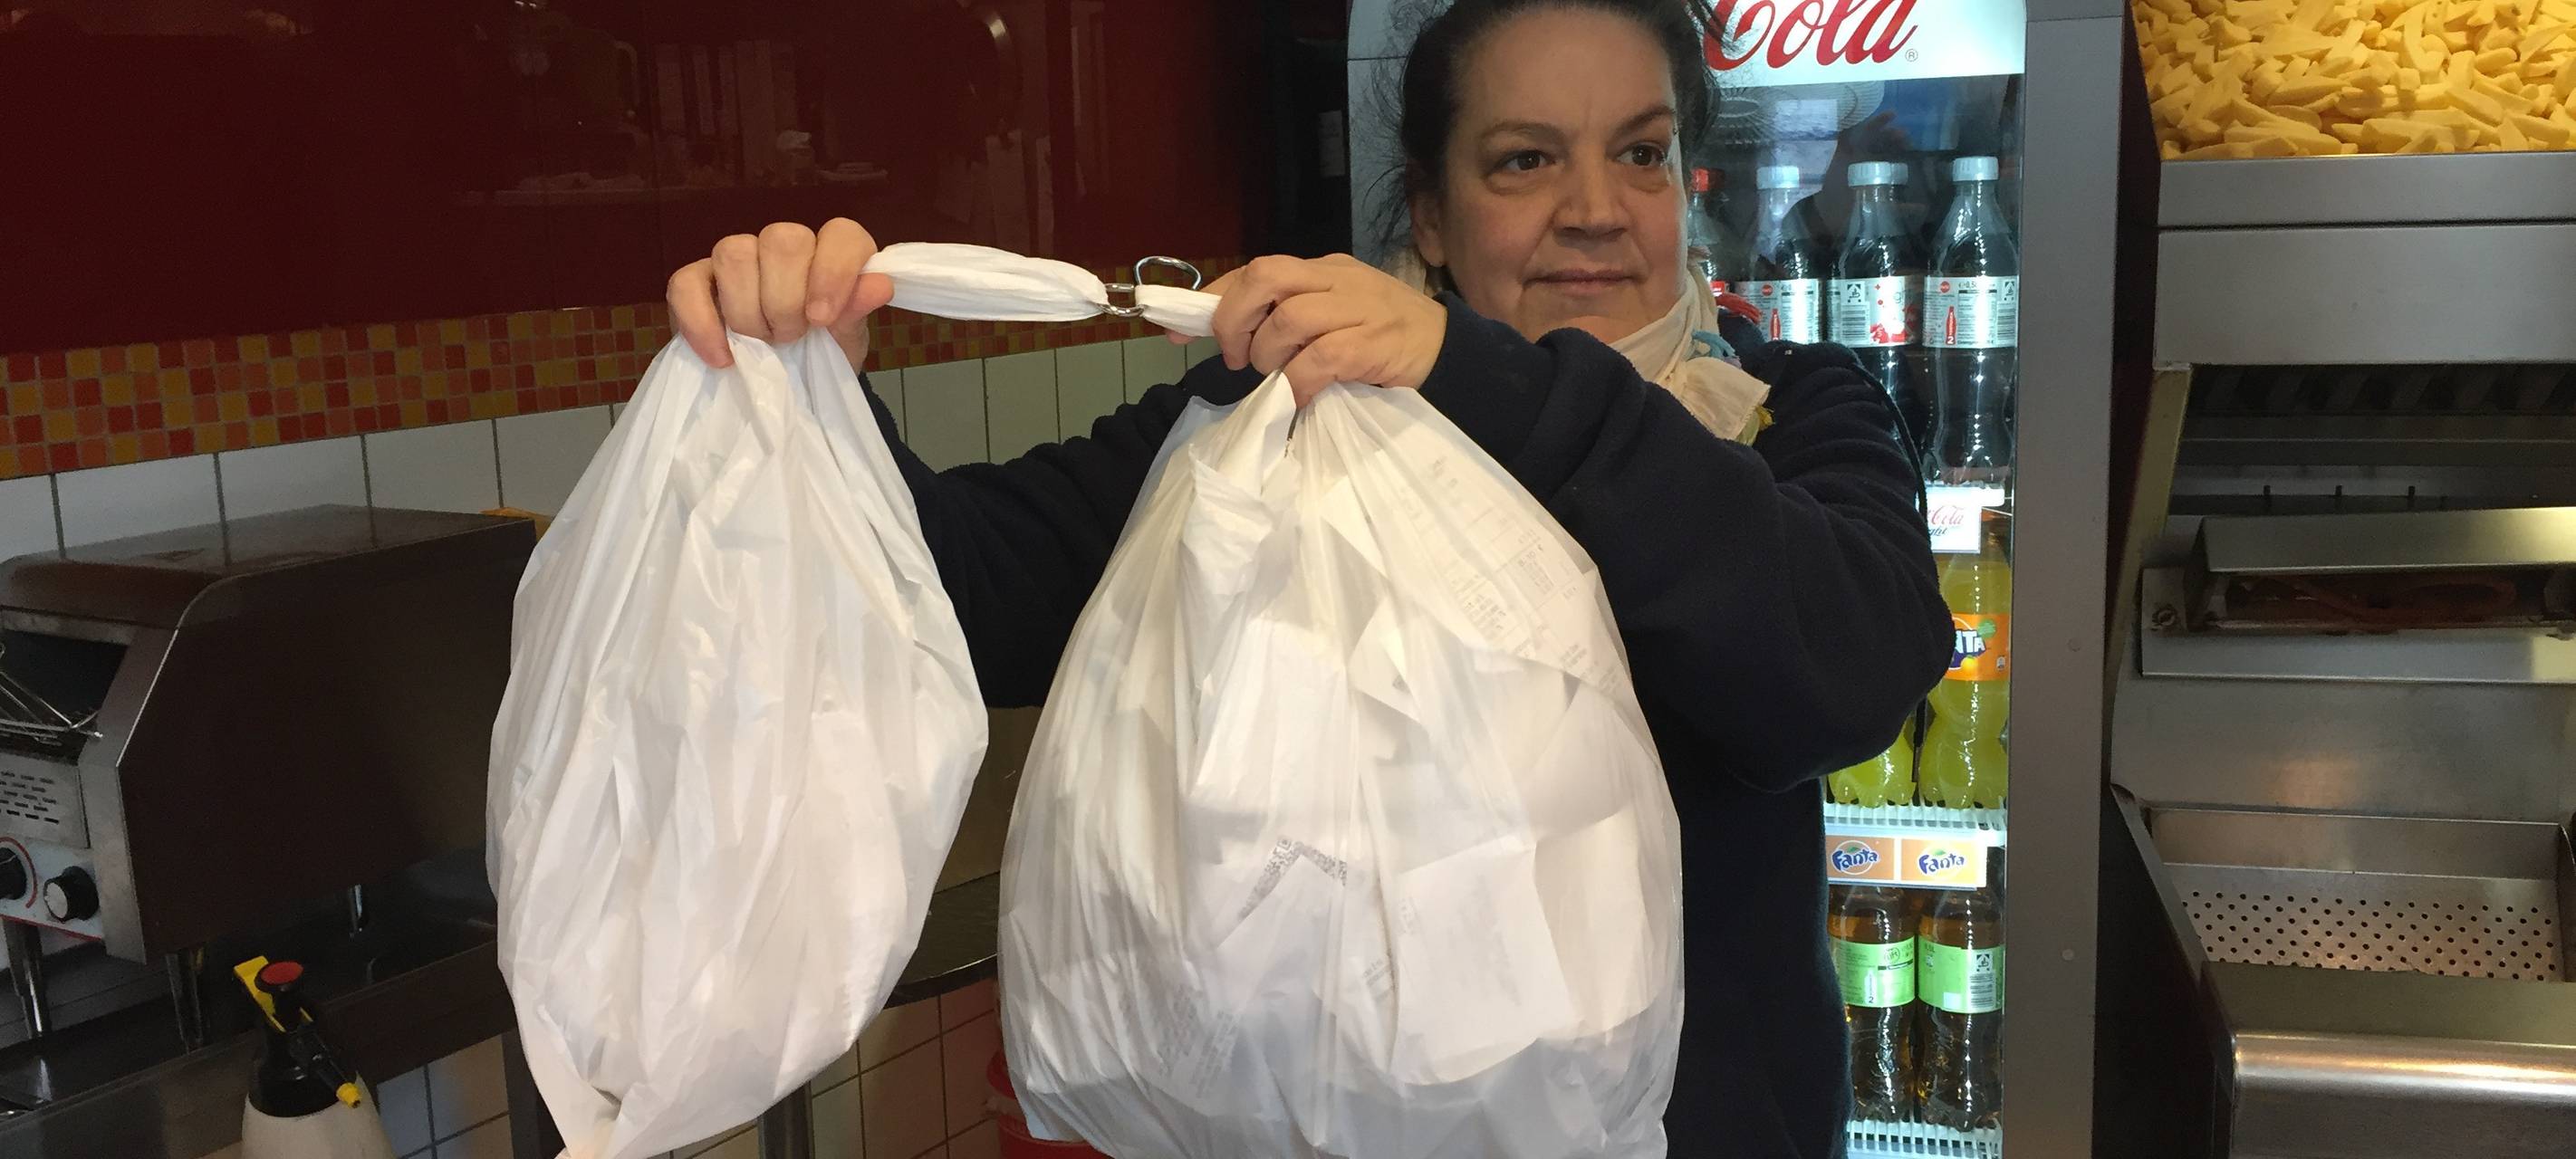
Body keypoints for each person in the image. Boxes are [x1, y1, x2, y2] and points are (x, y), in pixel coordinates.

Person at [665, 0, 1951, 1153]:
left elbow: (1847, 673)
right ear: (1433, 217)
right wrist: (813, 384)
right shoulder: (1279, 417)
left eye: (1640, 151)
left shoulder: (1785, 413)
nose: (1598, 207)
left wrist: (1474, 372)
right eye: (1524, 159)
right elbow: (967, 590)